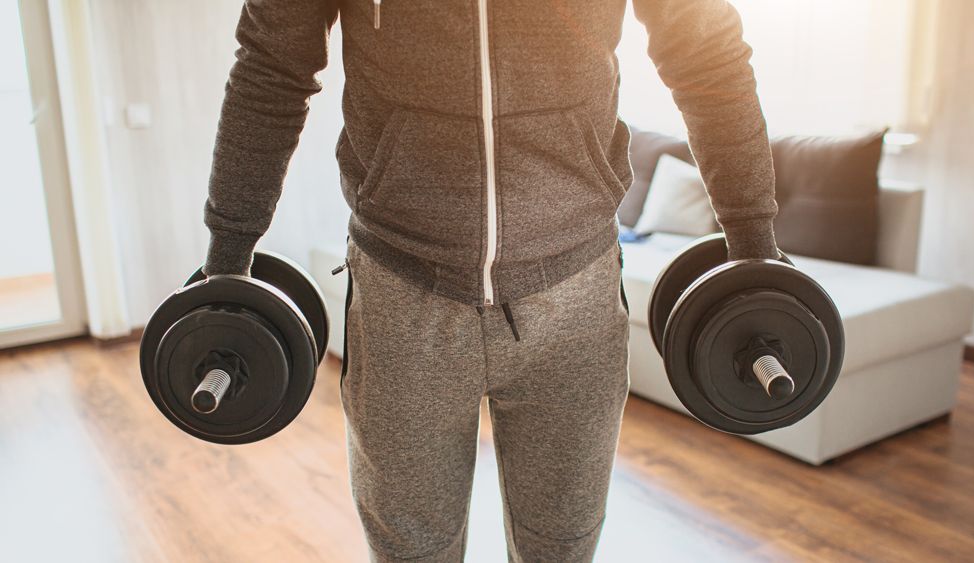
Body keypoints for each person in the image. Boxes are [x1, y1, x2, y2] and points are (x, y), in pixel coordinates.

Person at [201, 1, 779, 561]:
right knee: (409, 551)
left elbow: (706, 56)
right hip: (402, 293)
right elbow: (272, 67)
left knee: (564, 546)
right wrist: (229, 253)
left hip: (573, 292)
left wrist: (753, 239)